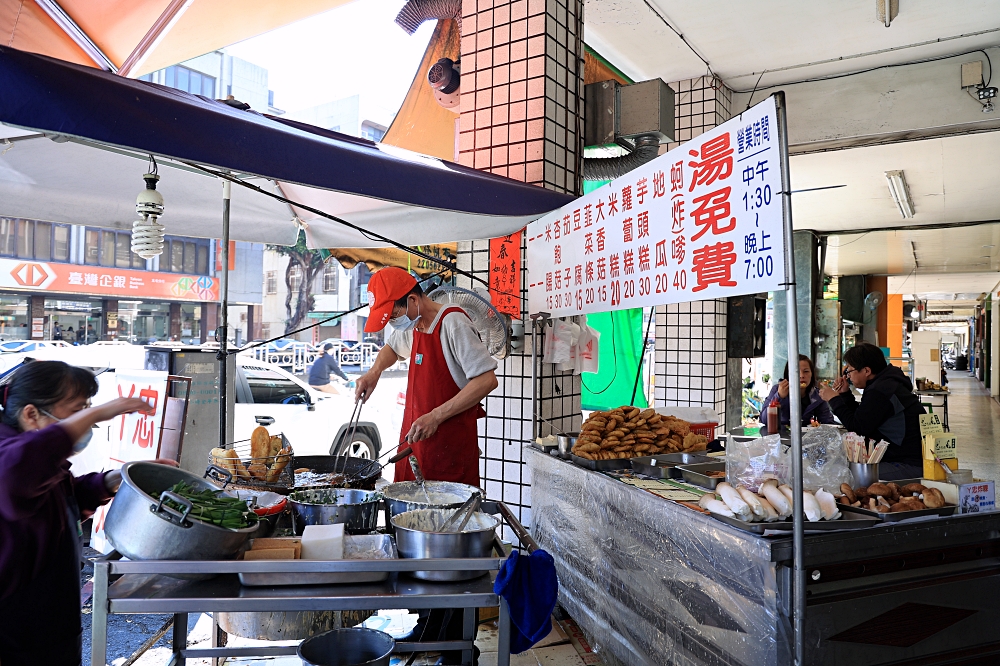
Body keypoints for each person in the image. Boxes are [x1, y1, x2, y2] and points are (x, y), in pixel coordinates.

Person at [0, 360, 176, 665]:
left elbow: (63, 503)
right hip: (12, 631)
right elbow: (15, 481)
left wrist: (117, 479)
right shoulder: (13, 456)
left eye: (87, 410)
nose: (86, 423)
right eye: (78, 411)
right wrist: (98, 412)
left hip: (52, 620)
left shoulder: (42, 461)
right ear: (31, 414)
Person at [355, 267, 498, 486]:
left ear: (413, 300)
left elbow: (486, 380)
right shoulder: (414, 325)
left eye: (393, 316)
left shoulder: (453, 323)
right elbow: (392, 348)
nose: (394, 323)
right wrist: (373, 373)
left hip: (449, 451)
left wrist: (436, 416)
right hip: (414, 447)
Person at [819, 342, 925, 480]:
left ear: (866, 371)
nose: (848, 376)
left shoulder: (881, 390)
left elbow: (858, 427)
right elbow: (863, 418)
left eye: (849, 370)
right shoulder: (886, 383)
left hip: (908, 464)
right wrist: (845, 394)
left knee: (846, 475)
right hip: (902, 457)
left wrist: (834, 399)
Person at [759, 355, 836, 434]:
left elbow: (828, 423)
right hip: (780, 439)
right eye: (796, 372)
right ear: (788, 374)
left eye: (806, 371)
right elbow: (764, 419)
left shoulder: (817, 396)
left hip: (805, 440)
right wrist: (779, 397)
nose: (802, 376)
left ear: (812, 374)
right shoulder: (777, 389)